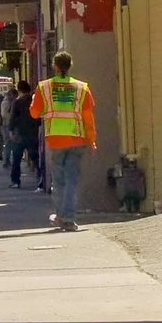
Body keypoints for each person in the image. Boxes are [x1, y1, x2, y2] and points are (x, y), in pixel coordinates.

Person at [32, 51, 99, 231]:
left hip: (55, 140)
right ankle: (68, 218)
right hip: (76, 139)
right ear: (70, 66)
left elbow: (34, 112)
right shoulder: (81, 88)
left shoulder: (44, 87)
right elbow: (88, 117)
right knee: (72, 180)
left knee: (59, 181)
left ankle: (61, 216)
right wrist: (91, 140)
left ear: (54, 65)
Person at [7, 77, 44, 191]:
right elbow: (38, 117)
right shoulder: (33, 101)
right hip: (32, 132)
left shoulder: (17, 102)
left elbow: (12, 118)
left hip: (20, 134)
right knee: (35, 157)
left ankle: (15, 181)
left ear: (19, 90)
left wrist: (11, 130)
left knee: (17, 159)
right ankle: (42, 179)